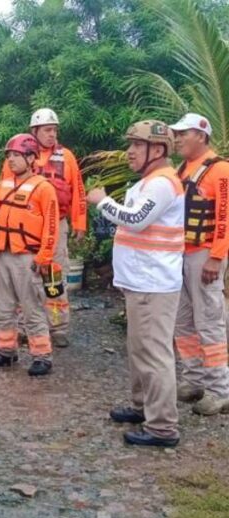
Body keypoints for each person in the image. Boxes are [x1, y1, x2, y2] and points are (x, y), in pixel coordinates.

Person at [87, 120, 184, 448]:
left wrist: (102, 201)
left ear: (157, 150)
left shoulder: (162, 184)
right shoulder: (148, 182)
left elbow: (135, 220)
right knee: (140, 349)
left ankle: (162, 427)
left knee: (154, 353)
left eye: (137, 145)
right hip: (142, 281)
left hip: (154, 283)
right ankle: (143, 407)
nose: (129, 151)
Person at [0, 109, 86, 348]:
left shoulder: (66, 157)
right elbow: (3, 193)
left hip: (57, 225)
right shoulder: (17, 157)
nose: (52, 135)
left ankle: (57, 326)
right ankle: (26, 327)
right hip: (25, 228)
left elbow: (78, 191)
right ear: (34, 131)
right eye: (47, 130)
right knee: (23, 277)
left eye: (55, 130)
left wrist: (79, 223)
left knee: (54, 277)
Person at [168, 113, 229, 416]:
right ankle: (193, 379)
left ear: (201, 136)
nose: (177, 138)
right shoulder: (181, 169)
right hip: (179, 254)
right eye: (176, 134)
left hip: (204, 255)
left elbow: (225, 217)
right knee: (183, 321)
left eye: (184, 134)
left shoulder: (220, 170)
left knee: (209, 321)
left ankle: (220, 390)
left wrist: (216, 257)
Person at [0, 134, 59, 376]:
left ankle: (42, 356)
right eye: (9, 156)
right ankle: (5, 351)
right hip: (3, 254)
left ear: (31, 158)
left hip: (28, 257)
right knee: (3, 307)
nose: (11, 160)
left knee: (31, 308)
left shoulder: (43, 188)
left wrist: (44, 257)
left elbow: (51, 227)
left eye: (16, 155)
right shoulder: (4, 184)